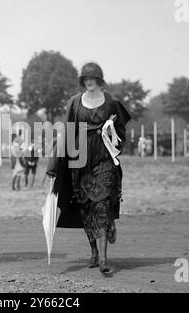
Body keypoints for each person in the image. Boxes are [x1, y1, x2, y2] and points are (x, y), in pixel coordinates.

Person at [46, 62, 131, 273]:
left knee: (101, 204)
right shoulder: (74, 103)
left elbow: (121, 132)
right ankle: (93, 251)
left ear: (99, 80)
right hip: (79, 158)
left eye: (92, 78)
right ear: (82, 81)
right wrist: (54, 163)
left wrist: (111, 129)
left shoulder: (111, 102)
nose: (89, 81)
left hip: (103, 158)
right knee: (86, 208)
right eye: (85, 78)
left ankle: (103, 259)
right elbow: (66, 132)